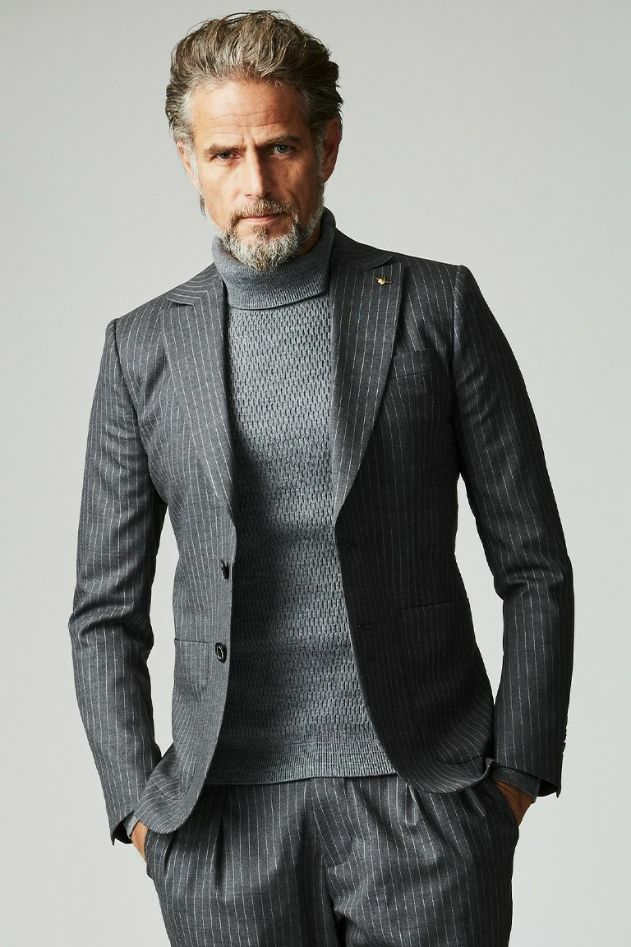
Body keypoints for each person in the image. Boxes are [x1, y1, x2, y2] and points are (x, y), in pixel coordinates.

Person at [68, 10, 574, 946]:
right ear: (188, 161)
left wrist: (514, 778)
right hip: (222, 824)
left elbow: (534, 563)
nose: (255, 184)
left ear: (327, 146)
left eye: (280, 147)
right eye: (224, 155)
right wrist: (141, 809)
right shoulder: (140, 349)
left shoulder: (435, 307)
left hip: (424, 805)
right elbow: (103, 609)